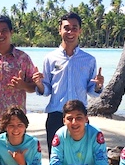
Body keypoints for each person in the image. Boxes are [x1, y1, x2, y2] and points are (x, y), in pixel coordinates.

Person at [33, 12, 104, 154]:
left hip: (79, 116)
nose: (70, 32)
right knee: (56, 156)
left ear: (80, 31)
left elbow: (91, 90)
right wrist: (39, 83)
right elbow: (46, 90)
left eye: (74, 28)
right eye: (66, 28)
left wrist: (98, 85)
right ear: (60, 30)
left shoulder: (89, 59)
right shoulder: (50, 58)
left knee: (80, 155)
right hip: (55, 114)